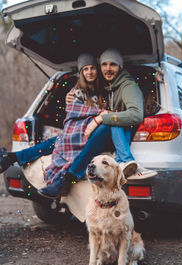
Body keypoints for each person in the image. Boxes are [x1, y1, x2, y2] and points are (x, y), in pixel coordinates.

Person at [0, 49, 157, 199]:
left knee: (96, 128)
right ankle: (12, 157)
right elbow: (77, 116)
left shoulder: (119, 86)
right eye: (104, 65)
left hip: (110, 133)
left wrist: (101, 117)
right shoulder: (93, 89)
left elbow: (127, 114)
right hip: (88, 132)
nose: (106, 69)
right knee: (59, 141)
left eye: (112, 65)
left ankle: (67, 178)